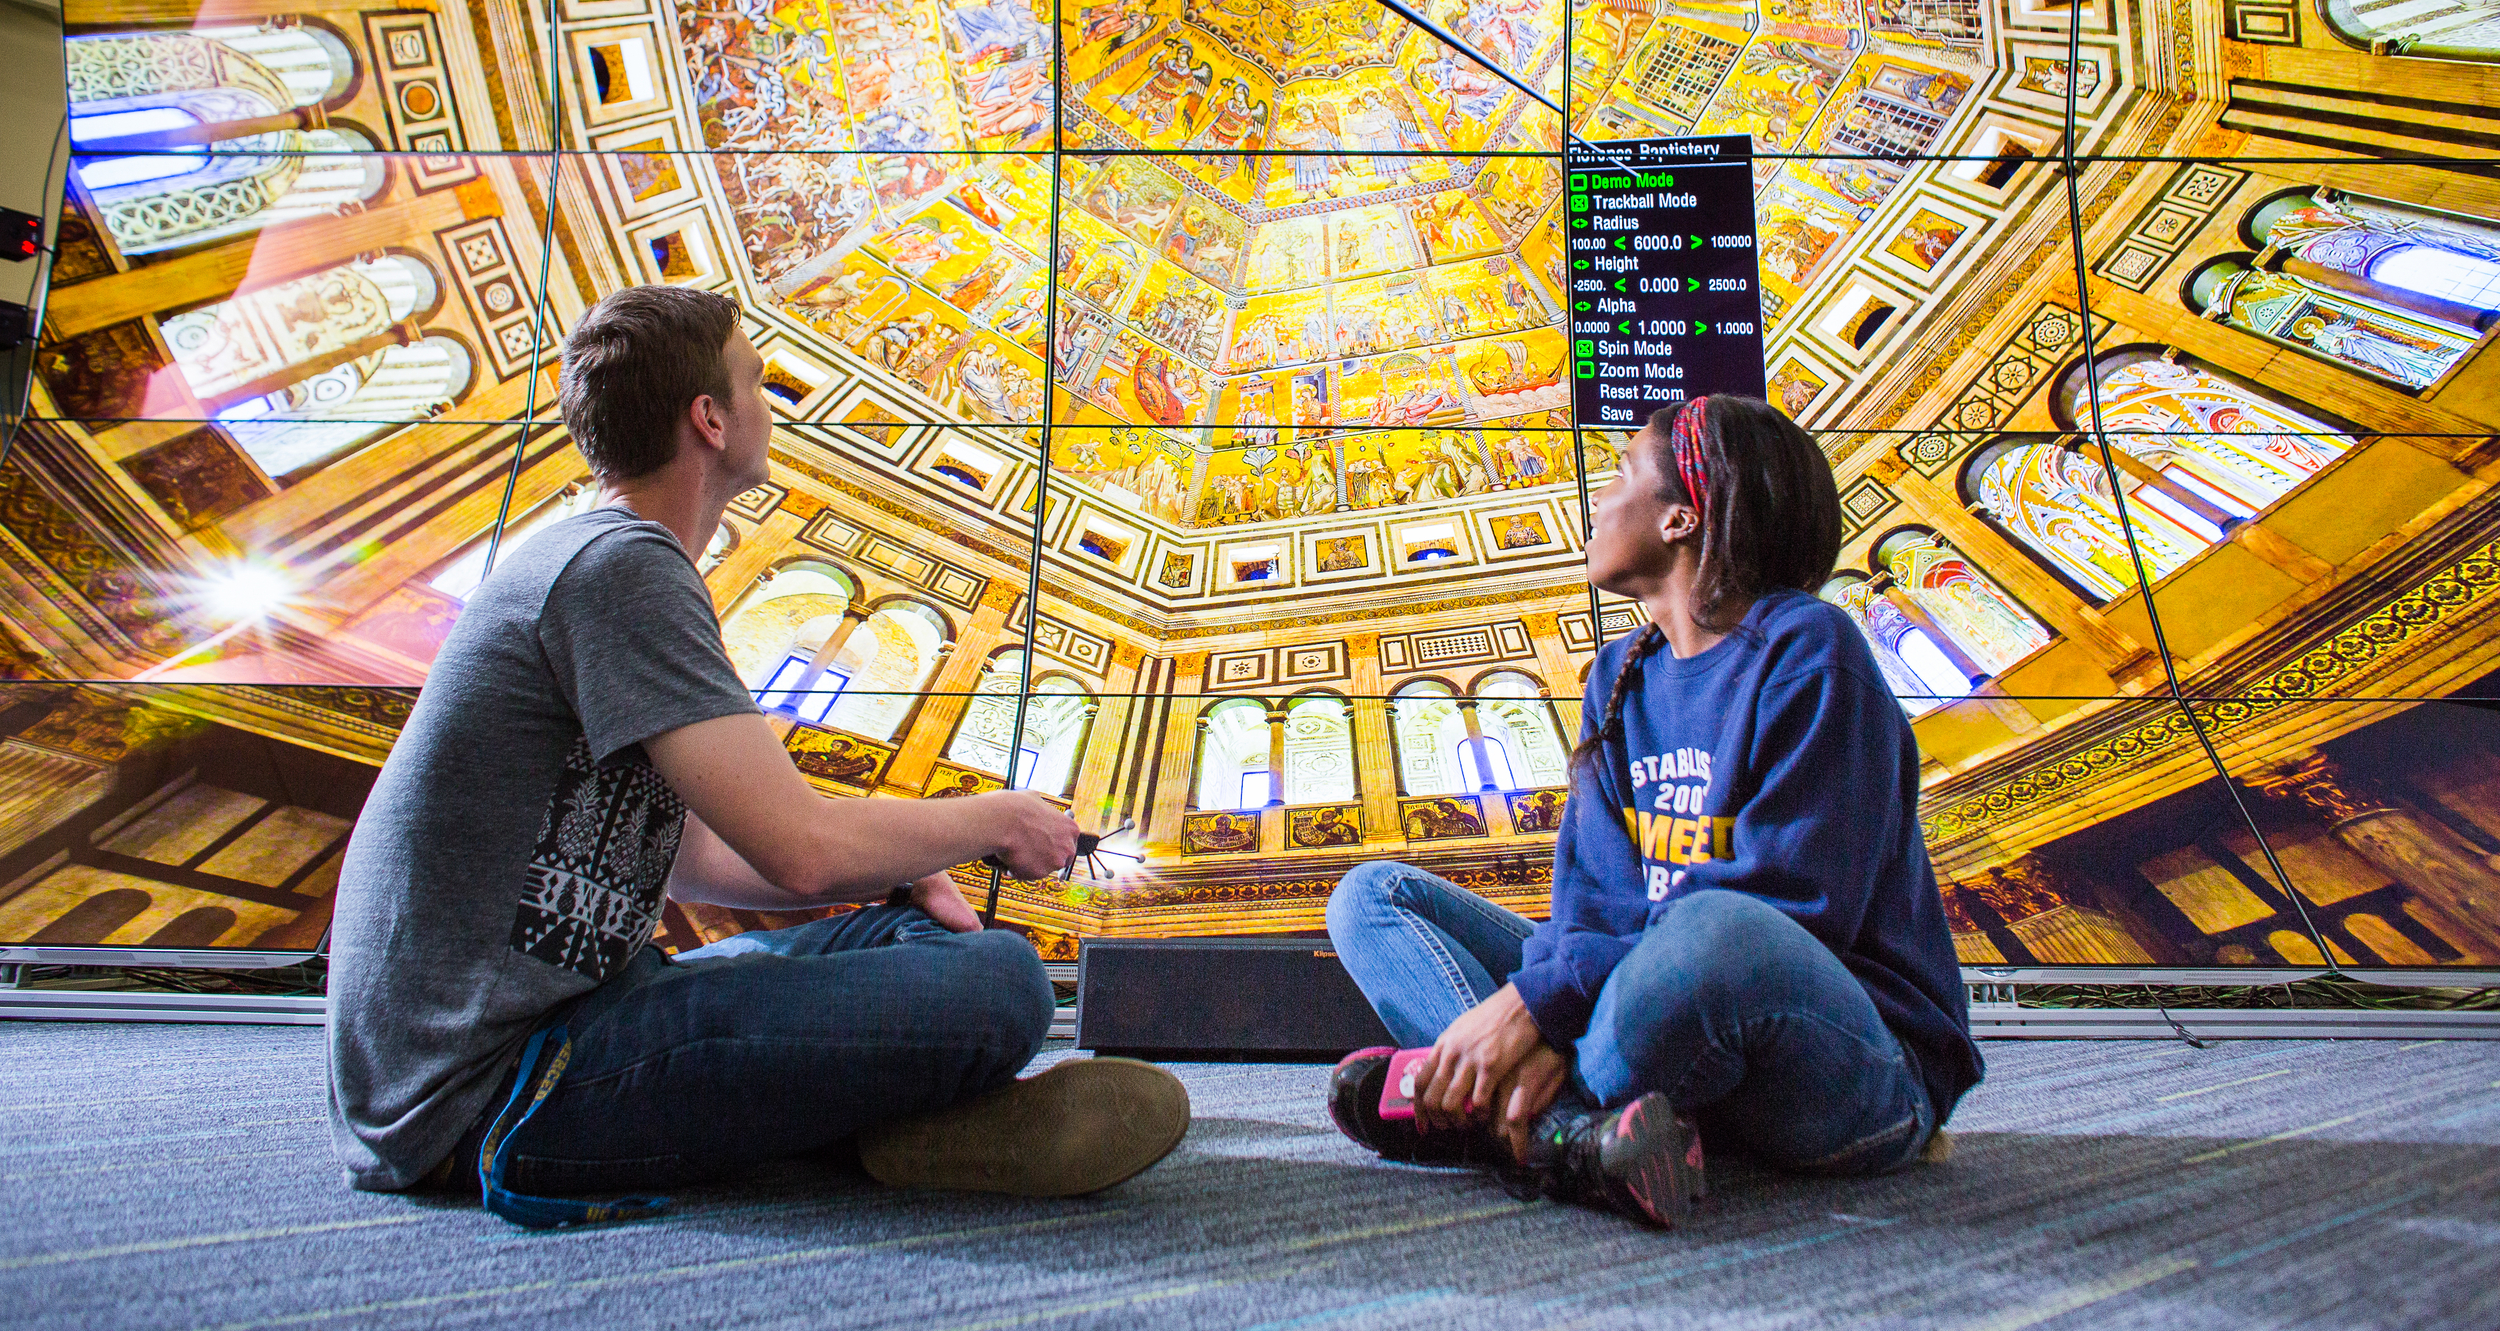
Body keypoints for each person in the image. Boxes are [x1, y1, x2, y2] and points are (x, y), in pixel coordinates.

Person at [327, 286, 1188, 1225]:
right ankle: (894, 1133)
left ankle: (880, 1124)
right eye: (757, 383)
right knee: (1003, 983)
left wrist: (903, 880)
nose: (769, 406)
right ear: (710, 419)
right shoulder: (624, 569)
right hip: (494, 1088)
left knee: (912, 936)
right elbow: (802, 848)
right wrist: (1003, 817)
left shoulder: (599, 557)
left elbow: (701, 858)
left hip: (586, 1011)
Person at [1322, 395, 1980, 1227]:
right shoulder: (1620, 674)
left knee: (1713, 933)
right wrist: (1546, 997)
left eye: (1622, 474)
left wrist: (1535, 1010)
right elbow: (1592, 900)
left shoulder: (1811, 648)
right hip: (1652, 1006)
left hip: (1848, 1062)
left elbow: (1794, 906)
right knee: (1372, 897)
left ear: (1681, 517)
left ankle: (1495, 1110)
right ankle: (1573, 1134)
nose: (1598, 500)